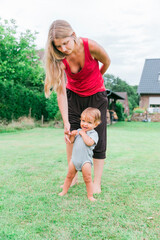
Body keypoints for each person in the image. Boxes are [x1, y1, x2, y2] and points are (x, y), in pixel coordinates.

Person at [44, 20, 111, 193]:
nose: (63, 49)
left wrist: (96, 78)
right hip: (73, 96)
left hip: (97, 95)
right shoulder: (59, 58)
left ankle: (97, 182)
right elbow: (60, 92)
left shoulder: (91, 46)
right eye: (59, 46)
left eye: (65, 43)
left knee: (99, 136)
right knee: (71, 134)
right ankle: (72, 177)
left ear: (73, 35)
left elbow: (107, 61)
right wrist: (65, 121)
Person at [59, 107, 101, 201]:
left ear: (96, 124)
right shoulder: (78, 131)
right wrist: (72, 135)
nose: (85, 124)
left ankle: (90, 196)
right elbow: (72, 141)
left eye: (89, 122)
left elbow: (89, 142)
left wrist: (82, 133)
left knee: (87, 178)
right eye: (83, 121)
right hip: (74, 160)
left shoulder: (93, 134)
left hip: (85, 161)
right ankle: (64, 191)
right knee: (69, 176)